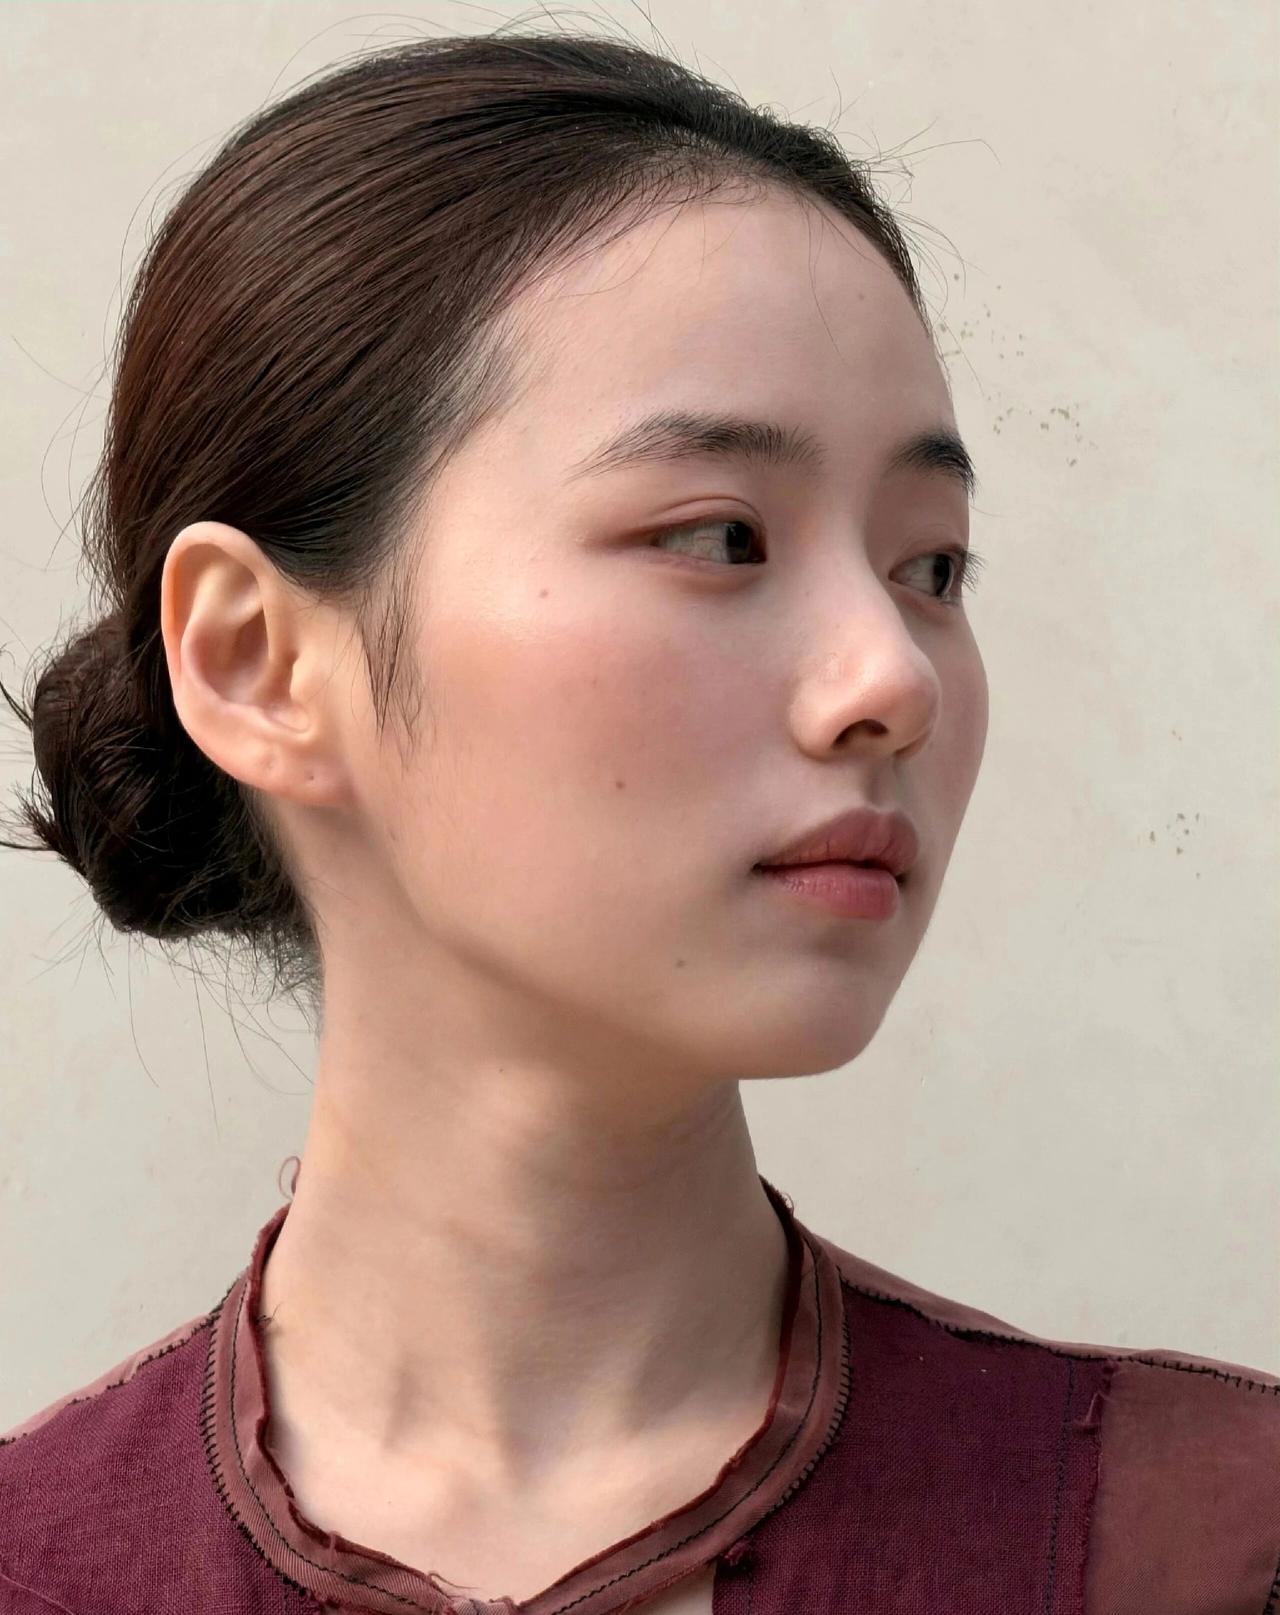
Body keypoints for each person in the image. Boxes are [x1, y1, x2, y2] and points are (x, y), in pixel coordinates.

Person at [0, 29, 1276, 1615]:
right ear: (258, 663)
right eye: (721, 537)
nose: (892, 678)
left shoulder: (1199, 1549)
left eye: (930, 566)